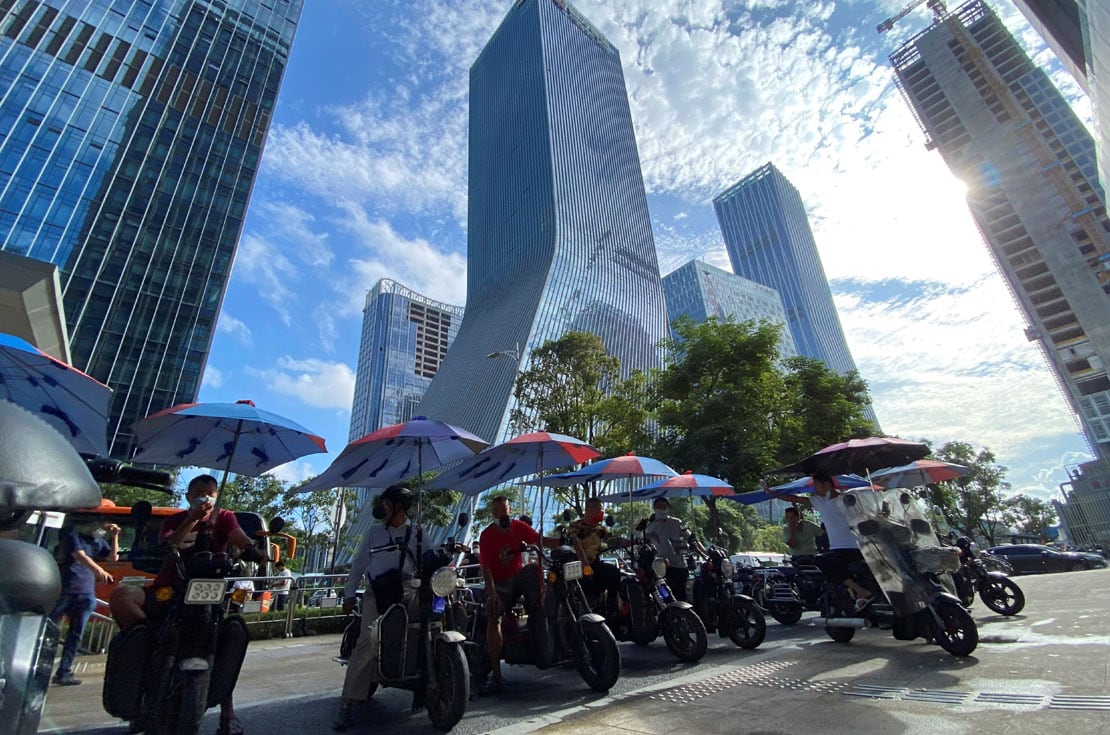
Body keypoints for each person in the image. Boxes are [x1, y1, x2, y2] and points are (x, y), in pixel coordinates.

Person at [109, 474, 257, 735]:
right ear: (189, 495)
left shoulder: (224, 517)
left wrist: (254, 549)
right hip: (171, 590)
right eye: (200, 492)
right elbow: (171, 543)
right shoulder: (176, 519)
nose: (206, 497)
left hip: (211, 593)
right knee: (122, 597)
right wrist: (193, 518)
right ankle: (147, 650)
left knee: (225, 642)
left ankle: (228, 713)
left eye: (211, 493)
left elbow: (239, 538)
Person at [333, 486, 419, 731]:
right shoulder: (374, 533)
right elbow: (359, 565)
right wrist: (349, 595)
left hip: (407, 591)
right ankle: (347, 703)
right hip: (376, 593)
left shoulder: (417, 533)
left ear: (399, 507)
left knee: (422, 630)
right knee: (368, 640)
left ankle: (425, 685)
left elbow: (429, 560)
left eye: (387, 504)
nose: (382, 509)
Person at [477, 496, 558, 696]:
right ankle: (496, 675)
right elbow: (486, 566)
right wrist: (493, 592)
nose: (501, 514)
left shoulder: (518, 527)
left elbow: (540, 541)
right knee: (493, 611)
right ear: (492, 513)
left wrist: (565, 541)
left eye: (504, 510)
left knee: (531, 570)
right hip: (500, 584)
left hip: (517, 578)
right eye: (497, 511)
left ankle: (538, 623)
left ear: (509, 510)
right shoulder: (486, 535)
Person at [764, 472, 873, 610]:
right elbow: (794, 499)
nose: (814, 489)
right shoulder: (820, 502)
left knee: (819, 561)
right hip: (836, 550)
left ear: (827, 485)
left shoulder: (846, 500)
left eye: (816, 485)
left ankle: (861, 591)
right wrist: (772, 493)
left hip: (852, 548)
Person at [50, 520, 120, 685]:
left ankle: (64, 671)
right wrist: (99, 570)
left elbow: (113, 558)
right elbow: (79, 555)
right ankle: (37, 665)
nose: (101, 529)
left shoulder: (99, 542)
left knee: (76, 635)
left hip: (86, 592)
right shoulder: (74, 536)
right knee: (49, 629)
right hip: (67, 589)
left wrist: (115, 537)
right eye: (101, 525)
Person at [565, 497, 625, 618]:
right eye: (598, 509)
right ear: (588, 510)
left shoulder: (600, 529)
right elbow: (577, 547)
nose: (601, 512)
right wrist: (585, 565)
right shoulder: (576, 527)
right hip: (577, 566)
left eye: (601, 509)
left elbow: (613, 541)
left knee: (614, 573)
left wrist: (634, 541)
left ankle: (611, 607)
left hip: (595, 564)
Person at [643, 498, 704, 602]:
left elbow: (691, 538)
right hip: (660, 568)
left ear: (668, 509)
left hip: (678, 566)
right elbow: (642, 542)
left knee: (681, 597)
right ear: (654, 508)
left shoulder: (677, 523)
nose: (661, 509)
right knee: (663, 597)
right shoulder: (649, 527)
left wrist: (703, 551)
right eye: (659, 507)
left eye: (664, 507)